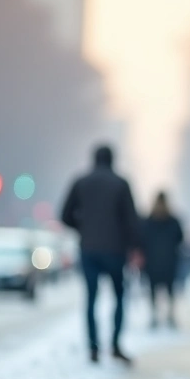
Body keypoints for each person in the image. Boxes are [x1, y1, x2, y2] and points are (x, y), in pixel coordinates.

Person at [60, 144, 142, 365]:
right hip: (116, 250)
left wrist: (83, 228)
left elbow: (65, 215)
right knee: (119, 297)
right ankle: (115, 345)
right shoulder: (121, 184)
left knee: (91, 298)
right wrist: (135, 247)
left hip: (89, 249)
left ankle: (93, 348)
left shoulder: (81, 182)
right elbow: (131, 220)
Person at [140, 191, 185, 329]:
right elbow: (180, 239)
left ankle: (154, 316)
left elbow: (141, 240)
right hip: (169, 262)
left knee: (153, 290)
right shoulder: (173, 221)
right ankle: (170, 316)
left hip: (152, 262)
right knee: (170, 291)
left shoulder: (148, 221)